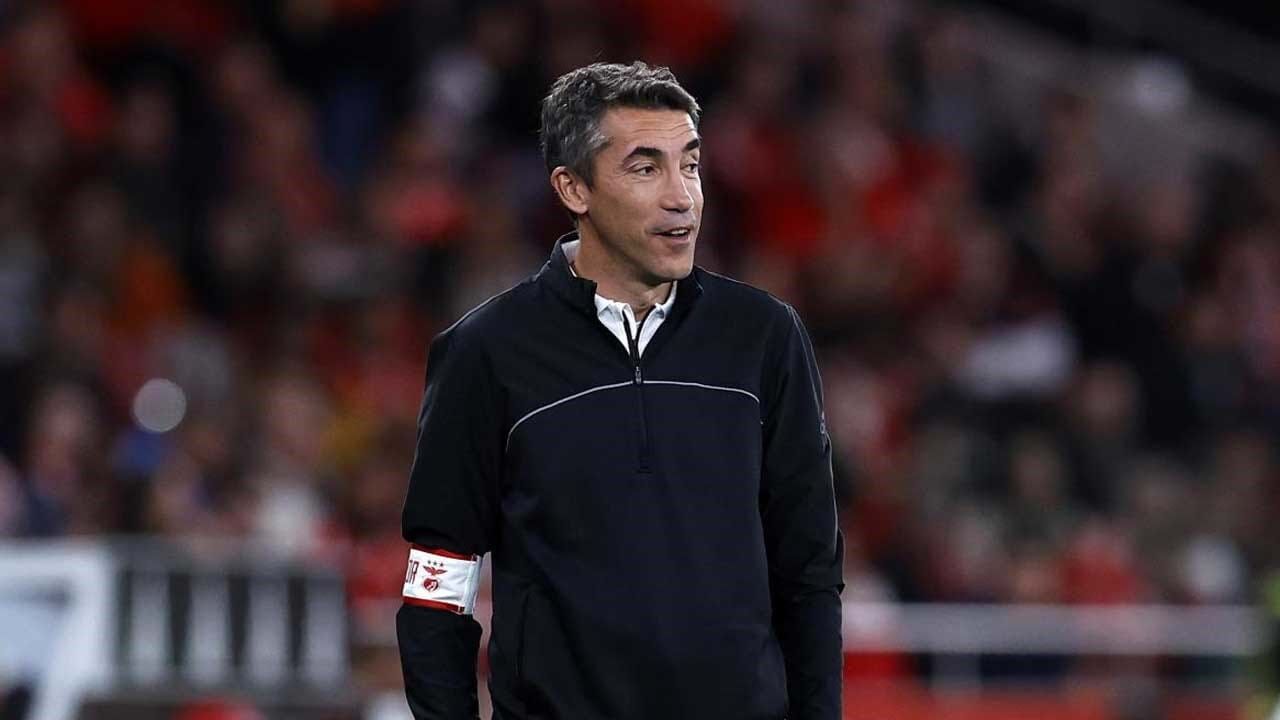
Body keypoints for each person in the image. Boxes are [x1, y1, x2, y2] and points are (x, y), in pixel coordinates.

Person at [397, 61, 844, 720]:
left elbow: (809, 572)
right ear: (573, 188)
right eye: (645, 168)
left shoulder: (764, 338)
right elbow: (438, 576)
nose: (682, 197)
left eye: (690, 165)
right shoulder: (486, 352)